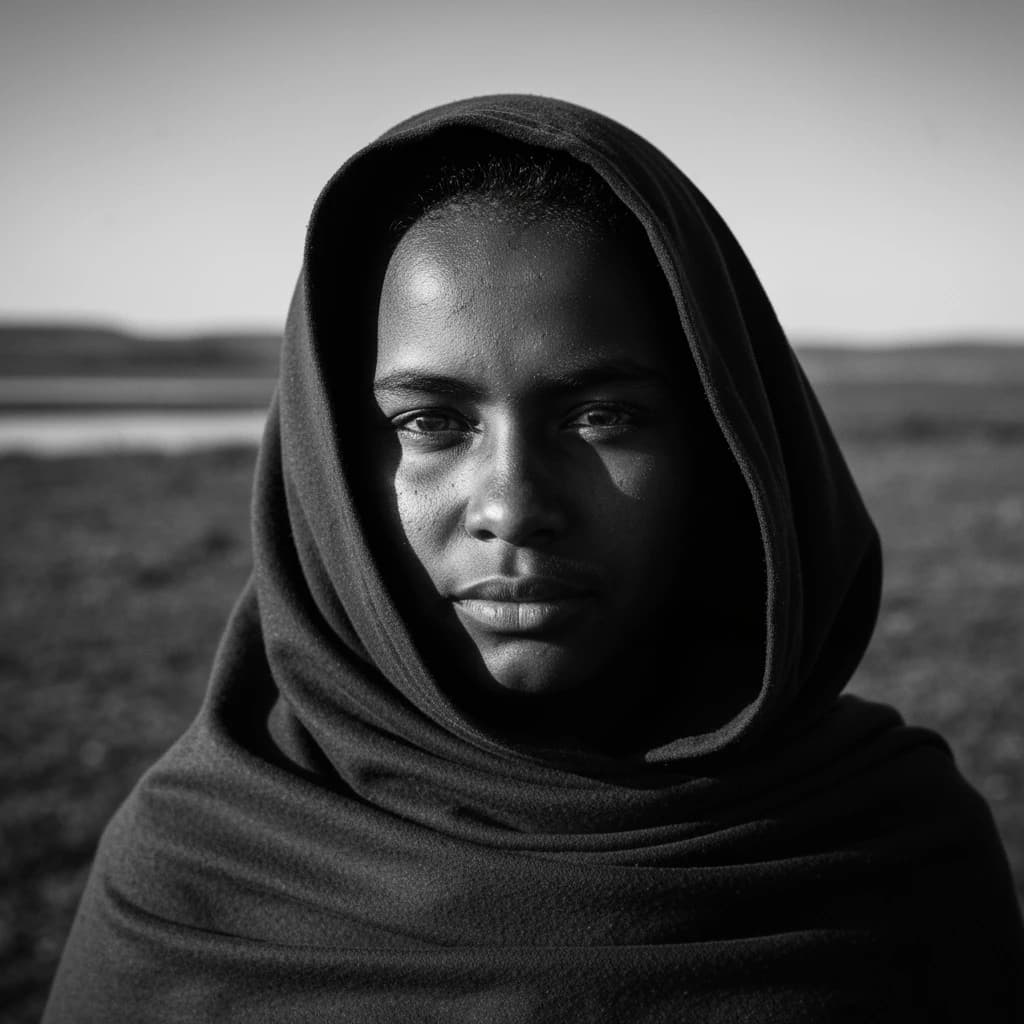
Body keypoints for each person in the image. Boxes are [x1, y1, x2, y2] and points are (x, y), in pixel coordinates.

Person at [43, 94, 1023, 1022]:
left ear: (721, 449)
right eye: (429, 421)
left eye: (600, 416)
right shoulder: (199, 870)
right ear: (332, 464)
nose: (512, 506)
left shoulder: (889, 848)